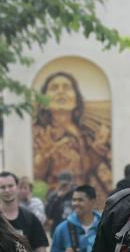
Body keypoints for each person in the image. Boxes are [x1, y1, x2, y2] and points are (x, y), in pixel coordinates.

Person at [32, 70, 112, 207]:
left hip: (83, 200)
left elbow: (85, 168)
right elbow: (36, 177)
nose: (60, 91)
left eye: (67, 87)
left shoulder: (86, 134)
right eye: (54, 88)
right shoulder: (38, 133)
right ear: (43, 100)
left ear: (77, 99)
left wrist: (96, 151)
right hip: (55, 202)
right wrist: (43, 158)